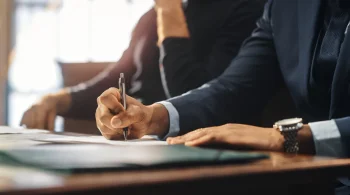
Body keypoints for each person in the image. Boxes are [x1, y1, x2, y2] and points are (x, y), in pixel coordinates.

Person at [95, 0, 350, 159]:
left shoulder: (241, 7)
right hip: (309, 175)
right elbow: (235, 87)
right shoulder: (284, 5)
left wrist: (291, 137)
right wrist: (154, 116)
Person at [20, 0, 265, 131]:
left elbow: (195, 95)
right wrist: (56, 100)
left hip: (197, 151)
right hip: (140, 140)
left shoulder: (246, 7)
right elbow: (117, 79)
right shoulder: (150, 17)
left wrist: (169, 11)